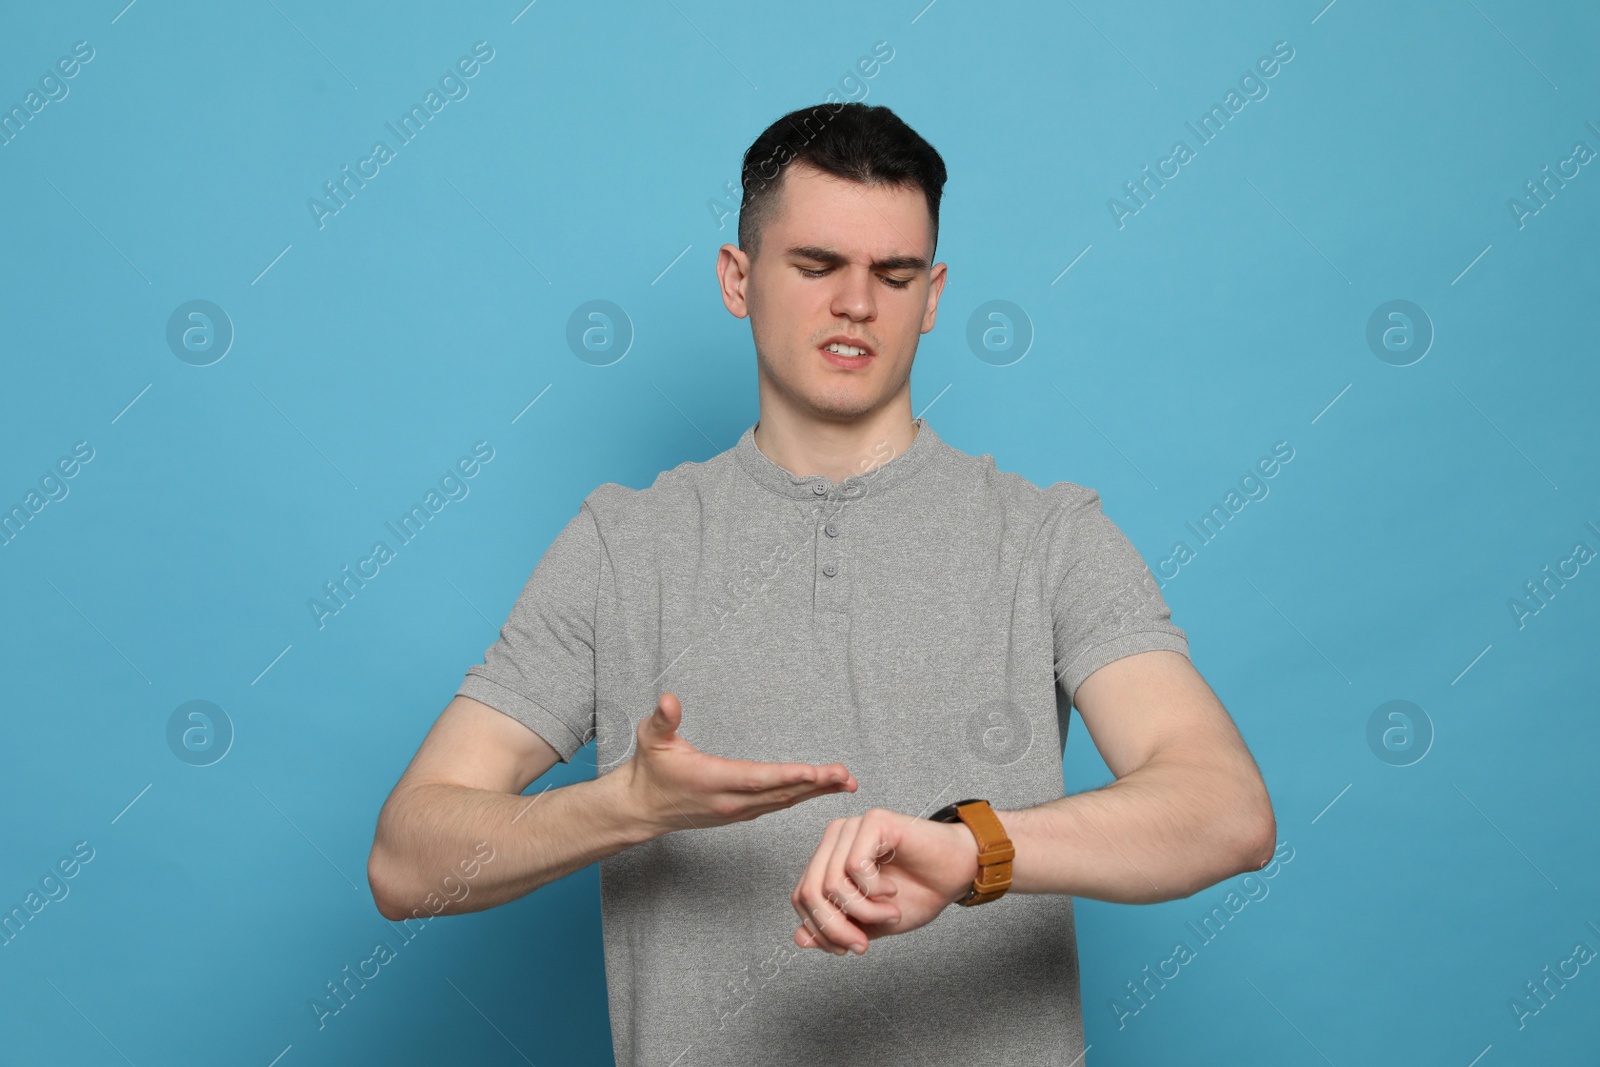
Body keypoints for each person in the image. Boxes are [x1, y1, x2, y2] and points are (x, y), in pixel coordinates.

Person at [367, 101, 1275, 1066]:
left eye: (895, 275)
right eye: (816, 266)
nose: (857, 304)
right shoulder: (620, 546)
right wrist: (626, 804)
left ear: (932, 296)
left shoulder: (1051, 536)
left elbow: (1226, 809)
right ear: (737, 277)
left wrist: (976, 850)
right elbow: (404, 861)